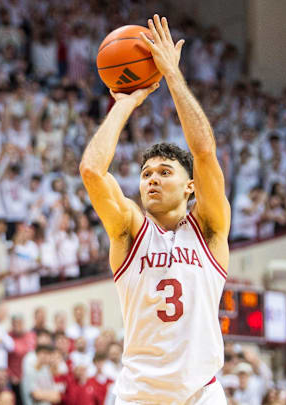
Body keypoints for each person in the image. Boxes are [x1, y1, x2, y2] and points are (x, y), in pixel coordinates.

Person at [79, 15, 230, 404]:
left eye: (165, 172)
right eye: (146, 173)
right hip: (140, 396)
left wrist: (172, 76)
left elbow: (204, 152)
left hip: (202, 394)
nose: (152, 179)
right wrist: (126, 102)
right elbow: (92, 171)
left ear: (190, 185)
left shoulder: (210, 229)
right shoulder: (129, 230)